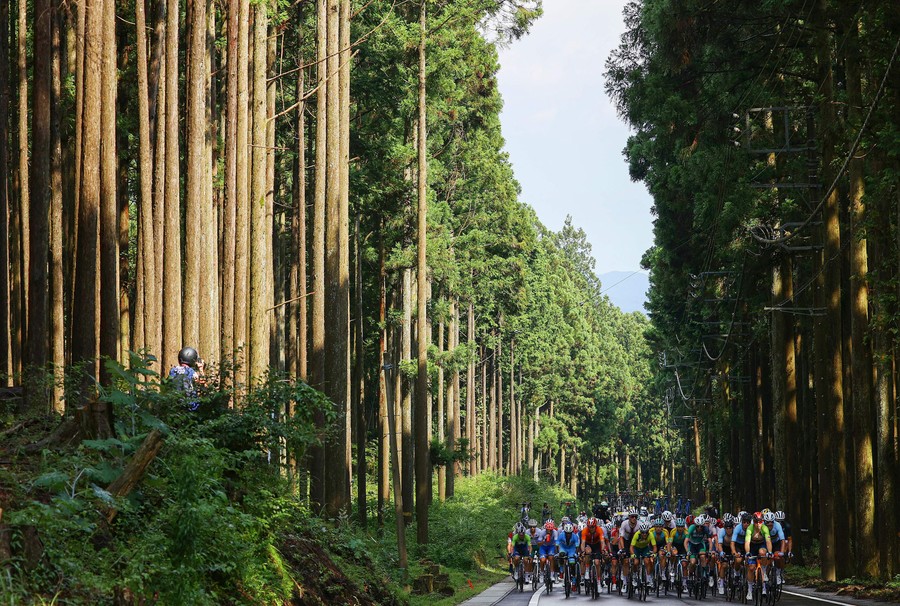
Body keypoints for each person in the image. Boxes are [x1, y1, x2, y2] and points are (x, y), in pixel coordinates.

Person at [168, 346, 205, 410]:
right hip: (190, 406)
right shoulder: (191, 372)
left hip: (175, 405)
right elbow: (202, 384)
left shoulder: (173, 370)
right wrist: (200, 369)